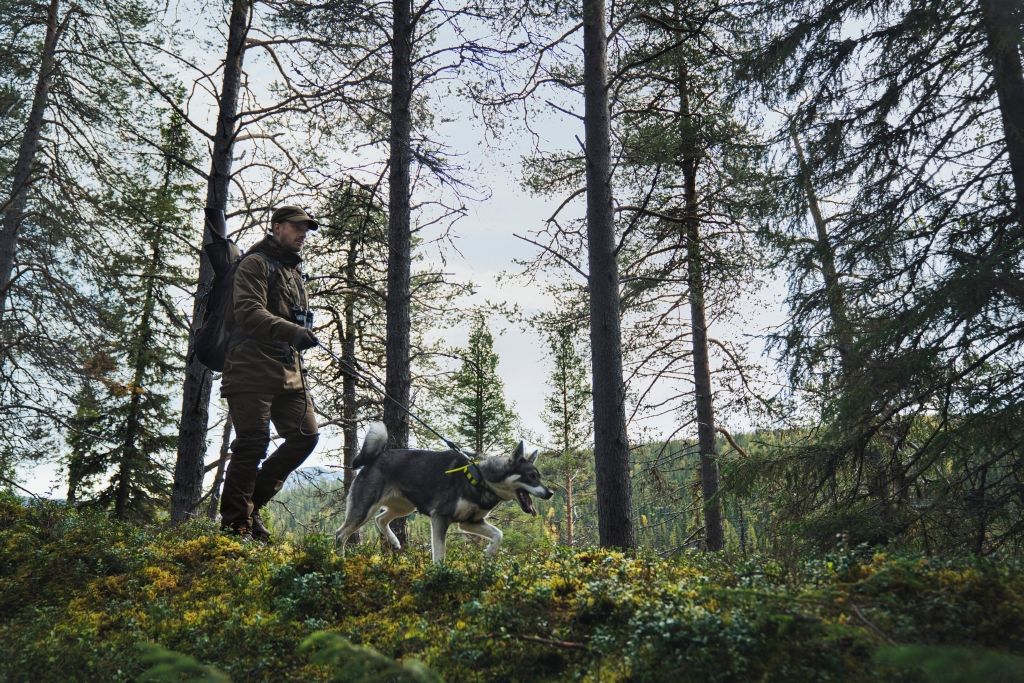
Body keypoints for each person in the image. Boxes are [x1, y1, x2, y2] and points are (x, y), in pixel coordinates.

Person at [219, 205, 320, 541]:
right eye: (297, 227)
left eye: (306, 229)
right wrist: (294, 332)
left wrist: (298, 333)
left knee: (306, 436)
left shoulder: (294, 272)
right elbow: (248, 312)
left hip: (288, 372)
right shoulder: (255, 264)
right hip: (249, 368)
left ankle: (251, 507)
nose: (303, 234)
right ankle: (235, 526)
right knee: (252, 443)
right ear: (277, 227)